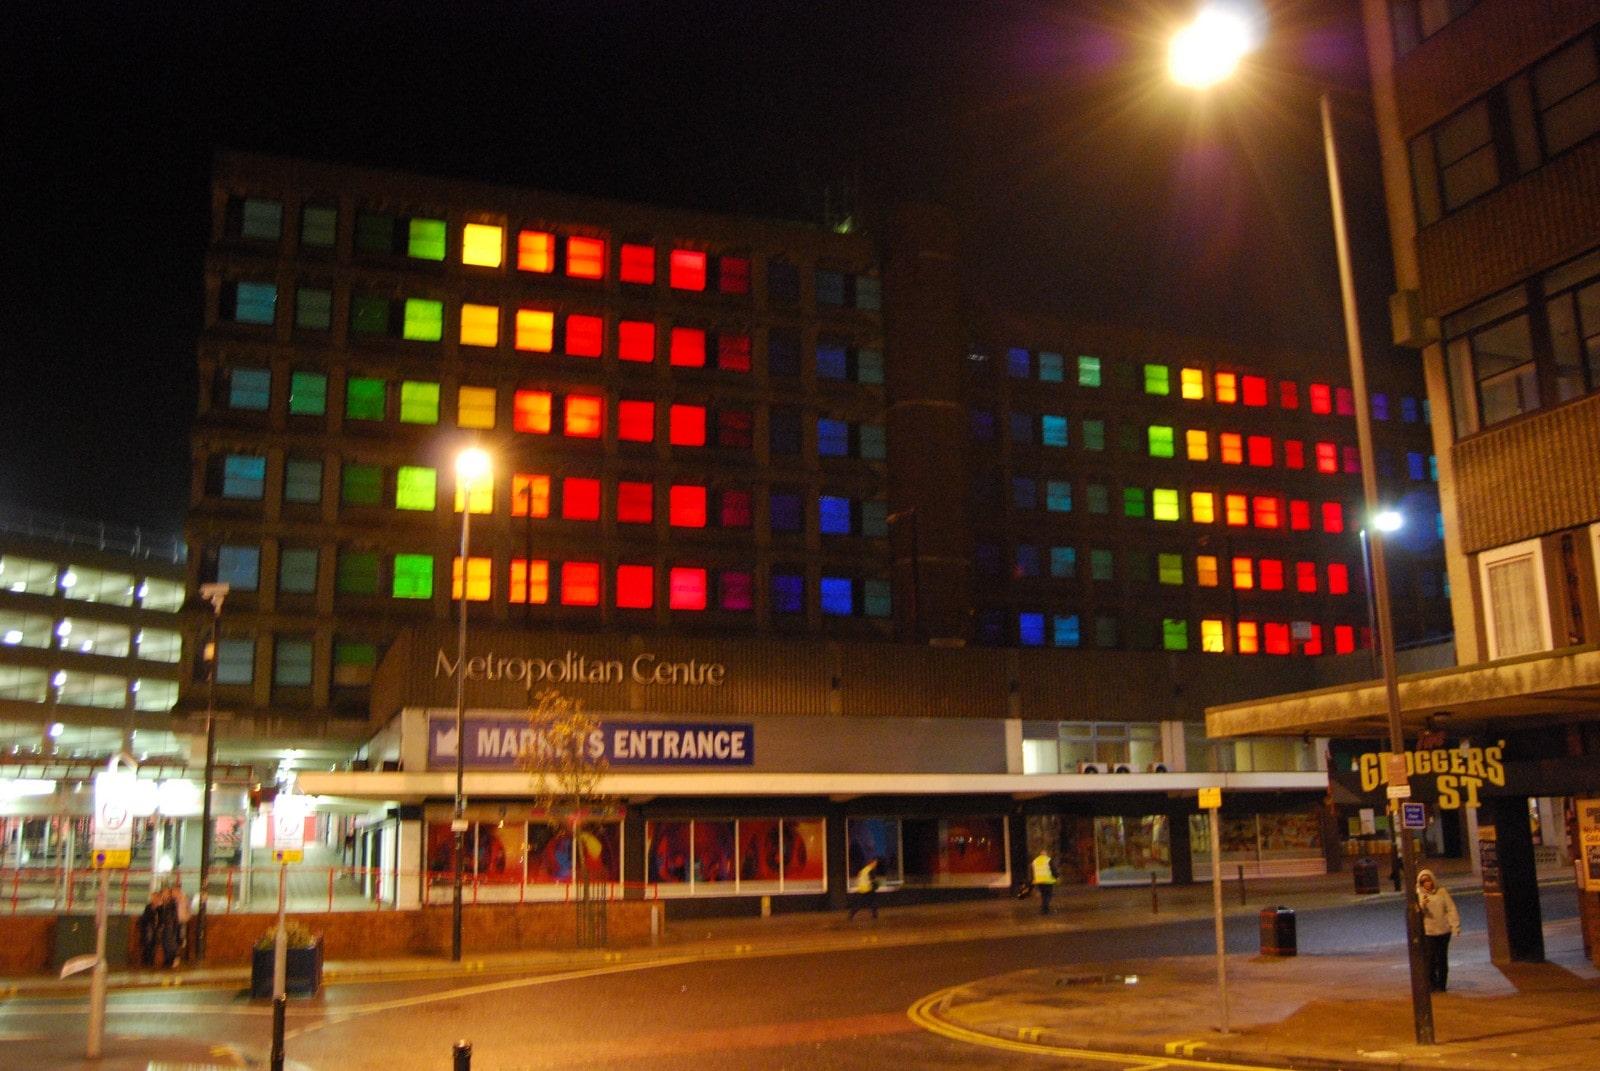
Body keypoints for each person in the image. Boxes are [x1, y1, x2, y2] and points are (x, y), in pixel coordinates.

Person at [1416, 868, 1460, 991]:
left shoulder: (1442, 892)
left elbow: (1451, 909)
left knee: (1442, 958)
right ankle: (1432, 984)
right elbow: (1418, 914)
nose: (1427, 883)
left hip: (1444, 930)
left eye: (1429, 880)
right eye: (1424, 881)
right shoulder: (1419, 895)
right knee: (1430, 958)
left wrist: (1455, 925)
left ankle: (1442, 985)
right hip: (1429, 932)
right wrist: (1422, 905)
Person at [137, 890, 162, 968]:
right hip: (148, 929)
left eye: (154, 897)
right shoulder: (148, 907)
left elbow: (161, 919)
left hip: (155, 930)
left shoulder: (160, 908)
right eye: (152, 898)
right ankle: (146, 962)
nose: (153, 899)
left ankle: (150, 962)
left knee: (152, 946)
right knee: (147, 946)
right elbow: (145, 918)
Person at [1031, 849, 1059, 915]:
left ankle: (1044, 908)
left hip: (1039, 881)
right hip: (1047, 880)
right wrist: (1056, 877)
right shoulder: (1048, 860)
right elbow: (1053, 869)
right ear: (1046, 854)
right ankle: (1045, 909)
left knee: (1043, 895)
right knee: (1048, 895)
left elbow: (1032, 871)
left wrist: (1033, 879)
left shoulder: (1035, 861)